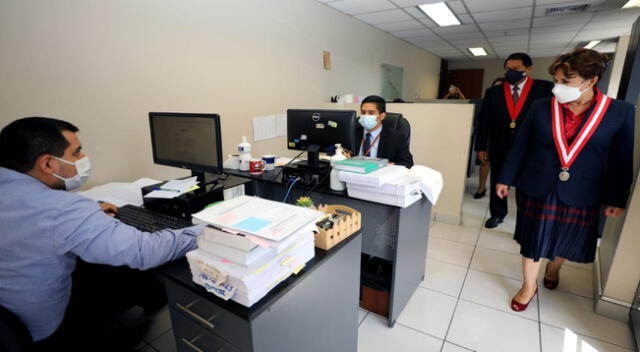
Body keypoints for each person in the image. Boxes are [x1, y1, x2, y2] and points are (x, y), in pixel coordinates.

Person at [0, 117, 205, 351]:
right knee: (125, 268)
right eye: (76, 153)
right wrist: (208, 228)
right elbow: (144, 251)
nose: (82, 159)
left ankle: (150, 305)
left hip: (8, 321)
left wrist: (89, 214)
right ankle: (145, 316)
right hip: (39, 334)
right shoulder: (60, 209)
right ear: (48, 164)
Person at [496, 48, 634, 312]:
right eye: (556, 81)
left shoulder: (620, 112)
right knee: (533, 241)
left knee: (563, 239)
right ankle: (528, 286)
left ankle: (554, 267)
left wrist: (616, 197)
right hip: (538, 184)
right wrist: (505, 178)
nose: (558, 87)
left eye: (566, 82)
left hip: (582, 189)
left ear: (591, 80)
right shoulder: (541, 107)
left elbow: (620, 160)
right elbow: (521, 146)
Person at [475, 53, 554, 228]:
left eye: (517, 69)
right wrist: (481, 146)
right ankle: (497, 214)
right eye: (509, 69)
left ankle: (525, 218)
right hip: (500, 145)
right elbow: (484, 121)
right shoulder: (494, 92)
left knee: (526, 184)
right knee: (498, 180)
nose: (511, 72)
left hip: (531, 148)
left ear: (528, 69)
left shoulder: (544, 89)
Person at [356, 95, 414, 168]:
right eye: (363, 112)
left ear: (382, 116)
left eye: (371, 113)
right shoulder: (353, 133)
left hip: (381, 175)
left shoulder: (396, 137)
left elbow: (407, 163)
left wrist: (388, 166)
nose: (365, 116)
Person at [473, 77, 506, 199]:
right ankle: (481, 188)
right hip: (489, 137)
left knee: (501, 168)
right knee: (485, 163)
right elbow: (482, 121)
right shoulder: (488, 100)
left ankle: (500, 189)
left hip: (504, 139)